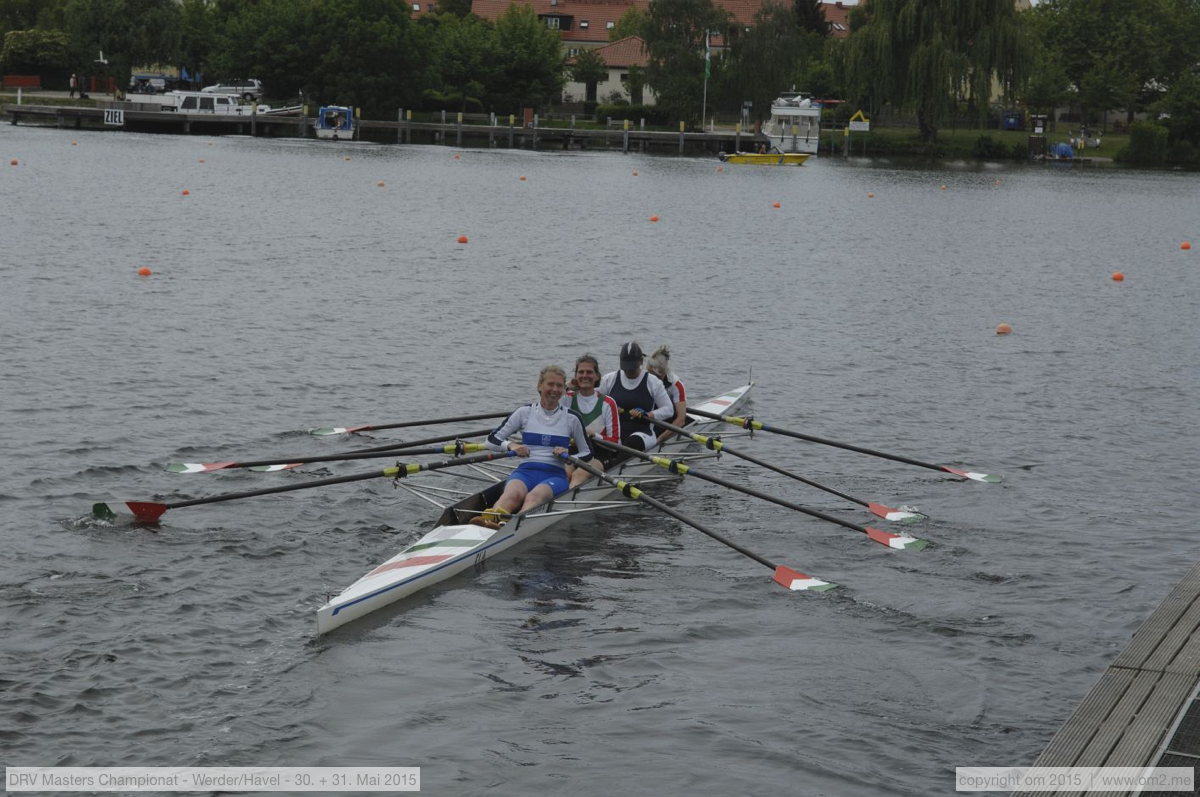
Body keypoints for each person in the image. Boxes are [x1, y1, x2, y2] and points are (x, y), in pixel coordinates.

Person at [472, 365, 594, 529]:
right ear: (540, 386)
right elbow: (491, 440)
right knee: (512, 494)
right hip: (524, 472)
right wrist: (511, 445)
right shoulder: (524, 412)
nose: (555, 389)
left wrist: (569, 456)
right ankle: (491, 521)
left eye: (559, 386)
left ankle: (510, 527)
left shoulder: (572, 418)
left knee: (533, 497)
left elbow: (587, 453)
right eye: (550, 384)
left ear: (564, 390)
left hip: (555, 475)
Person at [598, 341, 674, 452]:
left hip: (643, 433)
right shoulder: (609, 379)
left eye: (632, 367)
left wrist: (649, 414)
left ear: (641, 361)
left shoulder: (653, 382)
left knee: (632, 442)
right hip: (614, 431)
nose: (628, 370)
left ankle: (613, 461)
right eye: (626, 367)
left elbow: (669, 410)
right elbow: (596, 403)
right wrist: (611, 409)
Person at [562, 354, 620, 488]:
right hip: (573, 451)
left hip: (599, 453)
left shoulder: (608, 403)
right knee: (565, 473)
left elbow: (616, 442)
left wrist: (595, 435)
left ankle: (564, 504)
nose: (585, 375)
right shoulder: (567, 398)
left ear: (597, 376)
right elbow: (547, 402)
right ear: (575, 376)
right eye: (580, 372)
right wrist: (567, 386)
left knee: (578, 475)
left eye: (589, 372)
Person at [645, 345, 687, 442]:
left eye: (653, 374)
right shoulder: (645, 377)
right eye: (649, 372)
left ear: (662, 372)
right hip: (652, 416)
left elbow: (681, 420)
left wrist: (659, 440)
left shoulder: (676, 385)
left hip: (669, 420)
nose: (650, 377)